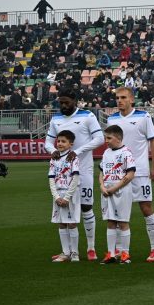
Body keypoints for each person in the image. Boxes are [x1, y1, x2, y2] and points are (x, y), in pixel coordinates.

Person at [45, 88, 104, 261]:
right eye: (60, 102)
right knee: (63, 211)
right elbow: (48, 143)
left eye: (66, 102)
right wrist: (54, 150)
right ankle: (69, 251)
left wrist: (77, 151)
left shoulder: (87, 116)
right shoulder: (56, 119)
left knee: (86, 207)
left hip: (83, 170)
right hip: (62, 174)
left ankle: (91, 248)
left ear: (74, 100)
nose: (63, 105)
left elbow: (99, 139)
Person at [106, 87, 154, 262]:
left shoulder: (143, 117)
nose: (119, 100)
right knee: (116, 213)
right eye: (117, 98)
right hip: (117, 175)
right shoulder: (112, 119)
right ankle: (119, 251)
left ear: (132, 100)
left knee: (146, 209)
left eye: (123, 97)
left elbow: (153, 141)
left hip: (140, 172)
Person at [98, 125, 136, 264]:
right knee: (110, 222)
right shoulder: (106, 153)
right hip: (107, 192)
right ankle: (111, 254)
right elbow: (101, 172)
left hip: (122, 191)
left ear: (118, 137)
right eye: (105, 138)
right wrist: (102, 186)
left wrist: (115, 188)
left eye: (109, 138)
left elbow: (130, 174)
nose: (106, 141)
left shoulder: (126, 153)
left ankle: (125, 254)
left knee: (123, 222)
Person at [48, 130, 81, 263]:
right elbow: (51, 178)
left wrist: (67, 197)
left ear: (70, 144)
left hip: (70, 194)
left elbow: (75, 178)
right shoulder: (54, 157)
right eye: (58, 141)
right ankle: (65, 252)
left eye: (63, 141)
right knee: (61, 223)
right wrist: (56, 196)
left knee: (71, 223)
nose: (60, 143)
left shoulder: (74, 157)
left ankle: (74, 253)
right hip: (58, 193)